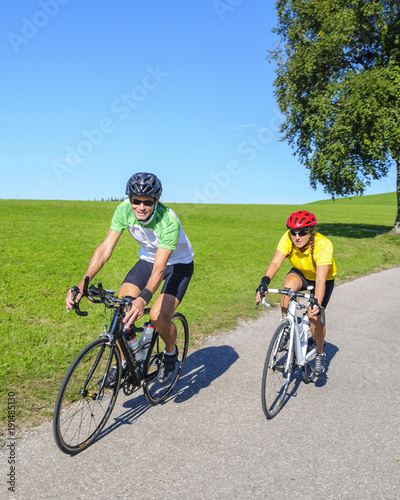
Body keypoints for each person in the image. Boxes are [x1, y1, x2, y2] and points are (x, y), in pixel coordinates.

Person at [66, 172, 194, 385]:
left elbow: (160, 268)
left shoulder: (168, 221)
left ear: (157, 201)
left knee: (158, 316)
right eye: (136, 201)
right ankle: (124, 363)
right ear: (129, 199)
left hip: (177, 265)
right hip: (147, 261)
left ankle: (170, 355)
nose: (140, 207)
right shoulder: (123, 210)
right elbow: (106, 248)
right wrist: (83, 283)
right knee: (121, 307)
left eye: (147, 202)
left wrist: (143, 298)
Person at [256, 210, 337, 376]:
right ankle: (287, 326)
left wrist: (316, 303)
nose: (297, 237)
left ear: (311, 232)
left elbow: (320, 281)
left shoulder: (323, 244)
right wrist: (264, 281)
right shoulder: (288, 238)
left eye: (302, 233)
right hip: (301, 273)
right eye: (293, 232)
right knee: (286, 291)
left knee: (314, 317)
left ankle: (320, 353)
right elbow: (276, 261)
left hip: (322, 279)